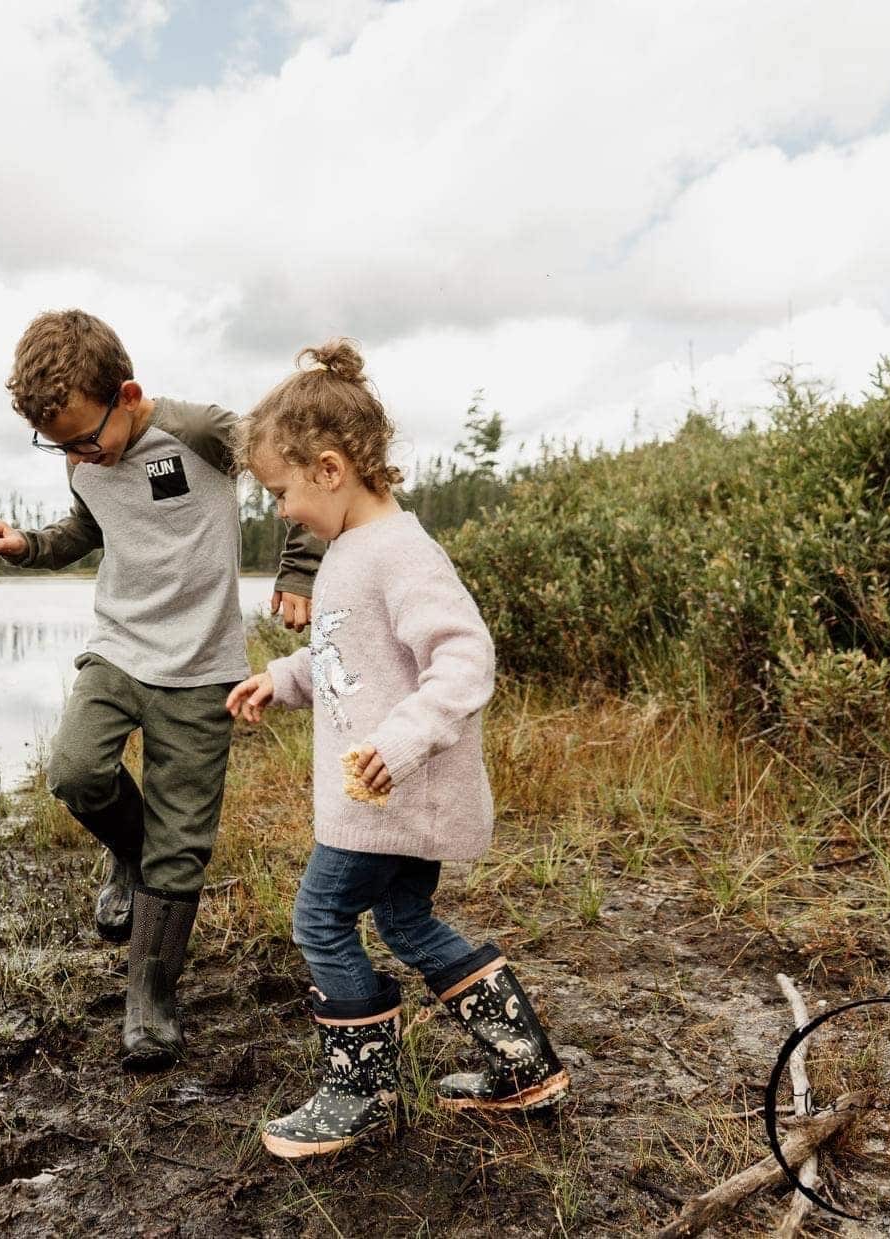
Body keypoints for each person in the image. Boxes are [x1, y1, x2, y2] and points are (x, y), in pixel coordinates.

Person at [224, 338, 569, 1157]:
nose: (281, 512)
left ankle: (359, 1094)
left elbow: (464, 656)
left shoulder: (401, 552)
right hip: (391, 797)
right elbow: (349, 656)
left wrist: (402, 740)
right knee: (407, 921)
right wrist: (282, 676)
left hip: (388, 796)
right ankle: (523, 1066)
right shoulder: (350, 553)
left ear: (330, 468)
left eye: (280, 492)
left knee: (320, 919)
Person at [0, 308, 322, 1068]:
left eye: (82, 439)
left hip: (202, 668)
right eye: (59, 446)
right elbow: (87, 528)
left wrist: (299, 570)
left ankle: (150, 999)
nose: (77, 457)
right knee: (76, 771)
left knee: (181, 843)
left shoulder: (201, 433)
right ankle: (128, 858)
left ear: (127, 396)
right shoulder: (83, 457)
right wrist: (28, 545)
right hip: (119, 649)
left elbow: (294, 467)